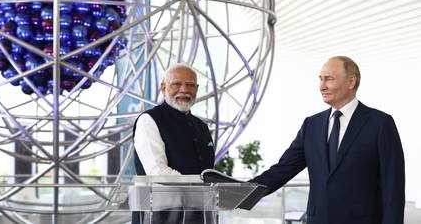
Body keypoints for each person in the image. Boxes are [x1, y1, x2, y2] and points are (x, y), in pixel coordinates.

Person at [250, 56, 405, 224]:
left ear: (351, 81)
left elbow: (393, 187)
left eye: (329, 79)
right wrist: (237, 193)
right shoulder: (311, 125)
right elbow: (282, 170)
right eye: (320, 79)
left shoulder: (380, 123)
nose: (322, 86)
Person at [132, 63, 215, 224]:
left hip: (199, 216)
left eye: (190, 85)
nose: (184, 90)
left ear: (196, 89)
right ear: (163, 88)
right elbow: (157, 172)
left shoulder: (202, 127)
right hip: (158, 217)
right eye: (176, 84)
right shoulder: (148, 120)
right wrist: (202, 185)